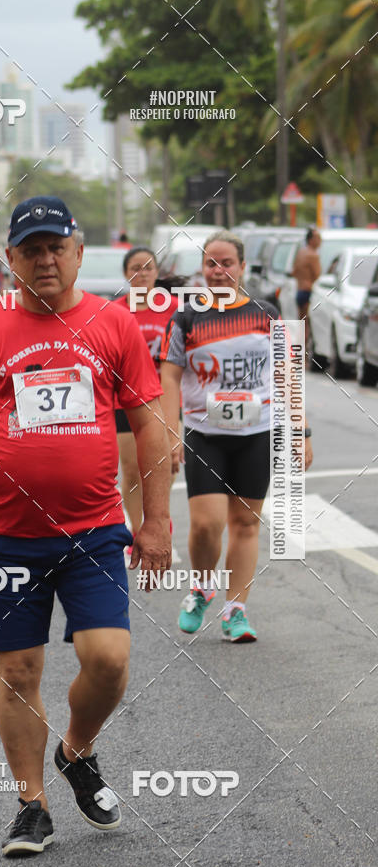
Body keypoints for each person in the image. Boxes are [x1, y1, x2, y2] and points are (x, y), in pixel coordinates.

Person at [0, 196, 172, 857]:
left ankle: (77, 749)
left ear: (78, 251)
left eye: (55, 246)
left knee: (110, 660)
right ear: (10, 260)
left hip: (93, 530)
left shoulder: (111, 323)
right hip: (7, 536)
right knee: (19, 672)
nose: (44, 259)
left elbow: (149, 424)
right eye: (30, 248)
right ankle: (31, 805)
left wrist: (156, 520)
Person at [160, 230, 313, 642]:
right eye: (211, 263)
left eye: (227, 263)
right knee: (207, 525)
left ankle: (235, 611)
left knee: (245, 523)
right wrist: (172, 432)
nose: (219, 270)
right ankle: (202, 586)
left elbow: (286, 373)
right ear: (202, 269)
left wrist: (300, 430)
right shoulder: (186, 317)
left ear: (242, 267)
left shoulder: (267, 313)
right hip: (205, 433)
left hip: (256, 432)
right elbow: (169, 377)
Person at [114, 247, 177, 543]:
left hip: (163, 400)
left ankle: (160, 517)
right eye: (135, 269)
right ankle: (138, 531)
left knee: (165, 464)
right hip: (123, 402)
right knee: (131, 469)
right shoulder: (114, 311)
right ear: (126, 274)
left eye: (148, 268)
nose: (141, 274)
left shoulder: (175, 308)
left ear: (157, 273)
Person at [292, 227, 321, 343]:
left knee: (301, 321)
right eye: (317, 238)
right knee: (306, 324)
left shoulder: (301, 252)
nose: (320, 241)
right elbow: (317, 274)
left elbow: (294, 271)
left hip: (299, 290)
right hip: (308, 291)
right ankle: (304, 354)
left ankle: (301, 351)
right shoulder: (313, 255)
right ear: (310, 240)